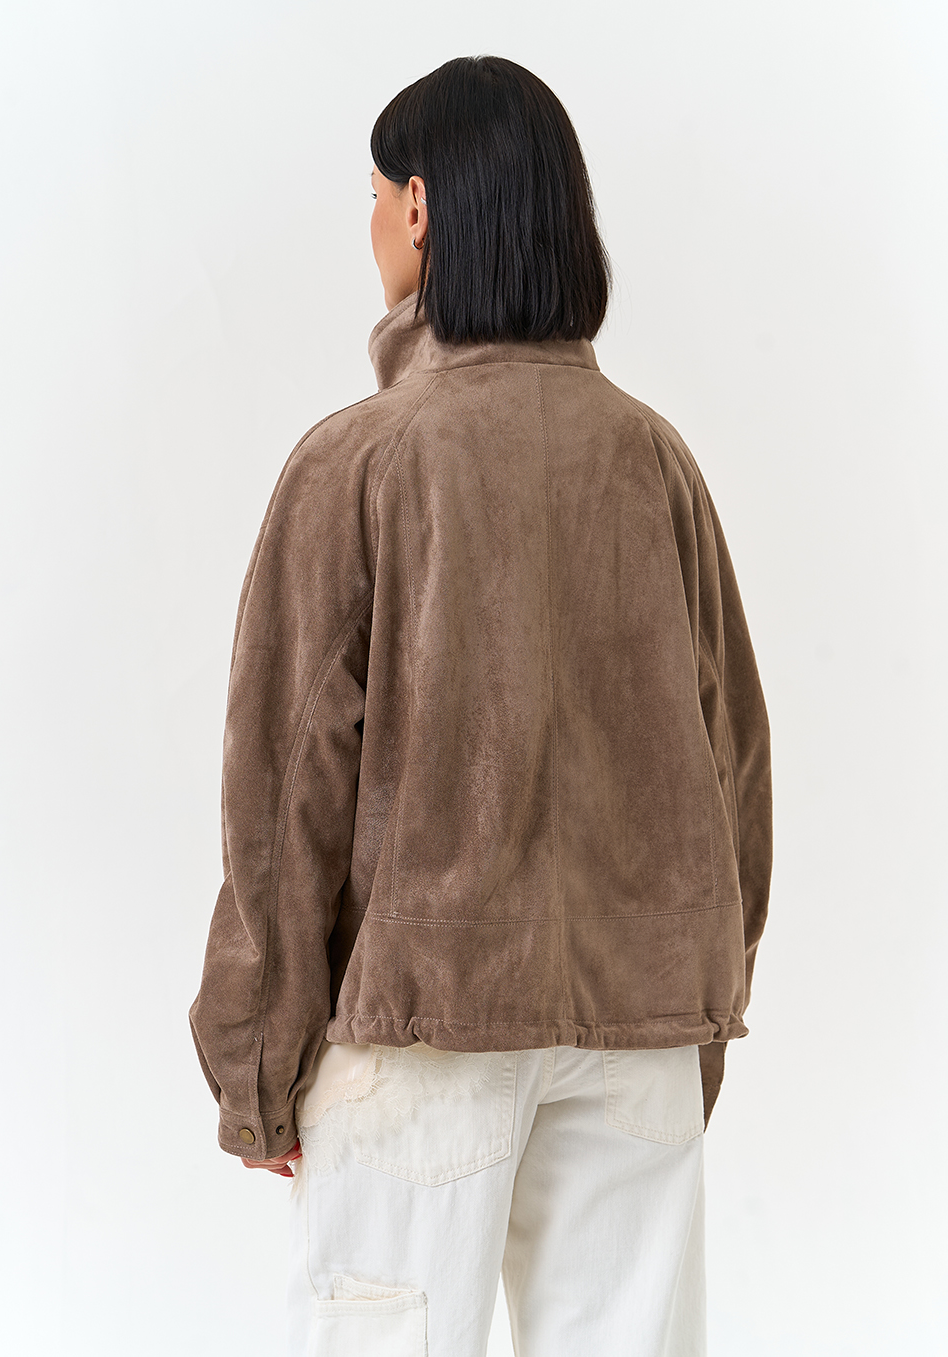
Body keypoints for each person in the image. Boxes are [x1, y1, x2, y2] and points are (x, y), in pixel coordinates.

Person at [189, 54, 772, 1357]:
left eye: (373, 195)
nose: (370, 224)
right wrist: (692, 1011)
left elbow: (282, 794)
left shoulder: (359, 461)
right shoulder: (656, 461)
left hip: (421, 1034)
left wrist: (259, 1062)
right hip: (637, 1035)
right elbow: (735, 756)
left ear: (419, 207)